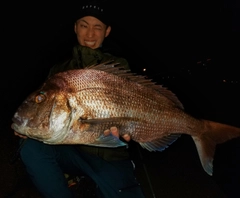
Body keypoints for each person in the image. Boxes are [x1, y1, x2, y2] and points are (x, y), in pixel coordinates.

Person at [13, 1, 145, 198]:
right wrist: (30, 124)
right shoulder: (59, 71)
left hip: (110, 157)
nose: (90, 34)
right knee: (31, 147)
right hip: (72, 153)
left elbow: (133, 117)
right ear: (75, 27)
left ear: (107, 31)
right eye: (84, 25)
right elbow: (47, 111)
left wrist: (131, 132)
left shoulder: (118, 67)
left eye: (97, 27)